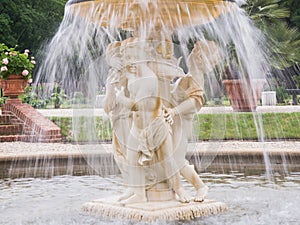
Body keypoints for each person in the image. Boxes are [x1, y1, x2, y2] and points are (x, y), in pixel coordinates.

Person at [115, 37, 190, 204]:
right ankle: (138, 193)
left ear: (142, 55)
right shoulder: (134, 74)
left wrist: (121, 99)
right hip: (138, 126)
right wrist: (126, 72)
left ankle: (179, 189)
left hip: (155, 126)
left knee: (167, 159)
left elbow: (137, 106)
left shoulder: (149, 78)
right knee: (132, 158)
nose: (129, 61)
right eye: (127, 57)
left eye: (131, 57)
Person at [164, 40, 221, 201]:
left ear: (199, 59)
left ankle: (200, 186)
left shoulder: (197, 77)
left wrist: (175, 111)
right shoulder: (188, 76)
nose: (190, 55)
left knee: (177, 159)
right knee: (170, 157)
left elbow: (195, 101)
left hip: (182, 123)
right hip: (174, 122)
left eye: (194, 53)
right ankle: (171, 188)